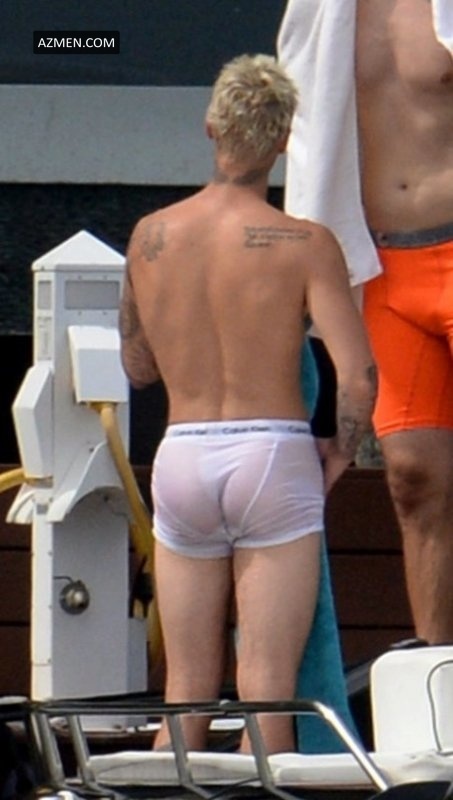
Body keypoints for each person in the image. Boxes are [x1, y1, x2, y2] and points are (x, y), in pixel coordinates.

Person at [119, 53, 376, 754]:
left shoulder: (150, 237)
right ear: (284, 140)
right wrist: (337, 456)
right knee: (268, 688)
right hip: (272, 455)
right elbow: (358, 377)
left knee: (186, 688)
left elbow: (137, 366)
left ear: (211, 127)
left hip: (183, 454)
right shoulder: (306, 244)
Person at [278, 0, 453, 645]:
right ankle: (439, 673)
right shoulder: (326, 10)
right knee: (413, 478)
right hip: (382, 265)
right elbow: (292, 119)